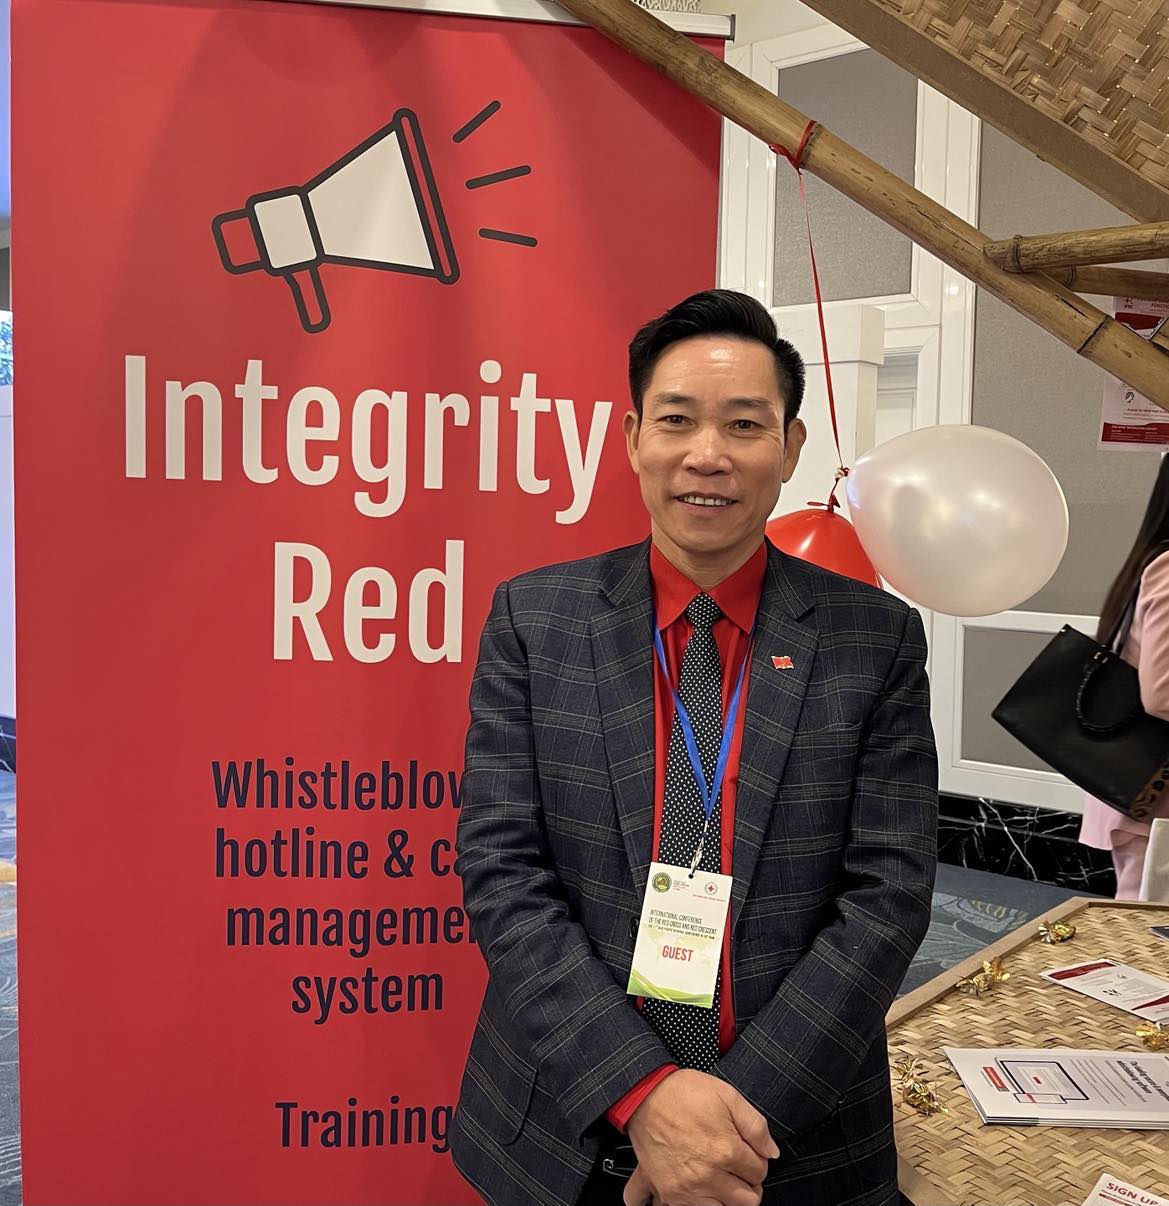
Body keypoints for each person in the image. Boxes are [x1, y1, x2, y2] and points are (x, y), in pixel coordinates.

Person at [450, 289, 938, 1206]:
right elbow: (502, 868)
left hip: (789, 1140)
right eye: (676, 420)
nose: (707, 455)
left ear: (789, 449)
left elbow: (888, 893)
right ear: (633, 437)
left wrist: (725, 1121)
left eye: (744, 425)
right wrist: (643, 1095)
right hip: (565, 1126)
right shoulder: (535, 618)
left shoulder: (872, 639)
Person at [1080, 453, 1169, 899]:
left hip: (1142, 783)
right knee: (1147, 922)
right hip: (1150, 787)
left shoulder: (1151, 560)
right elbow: (1161, 693)